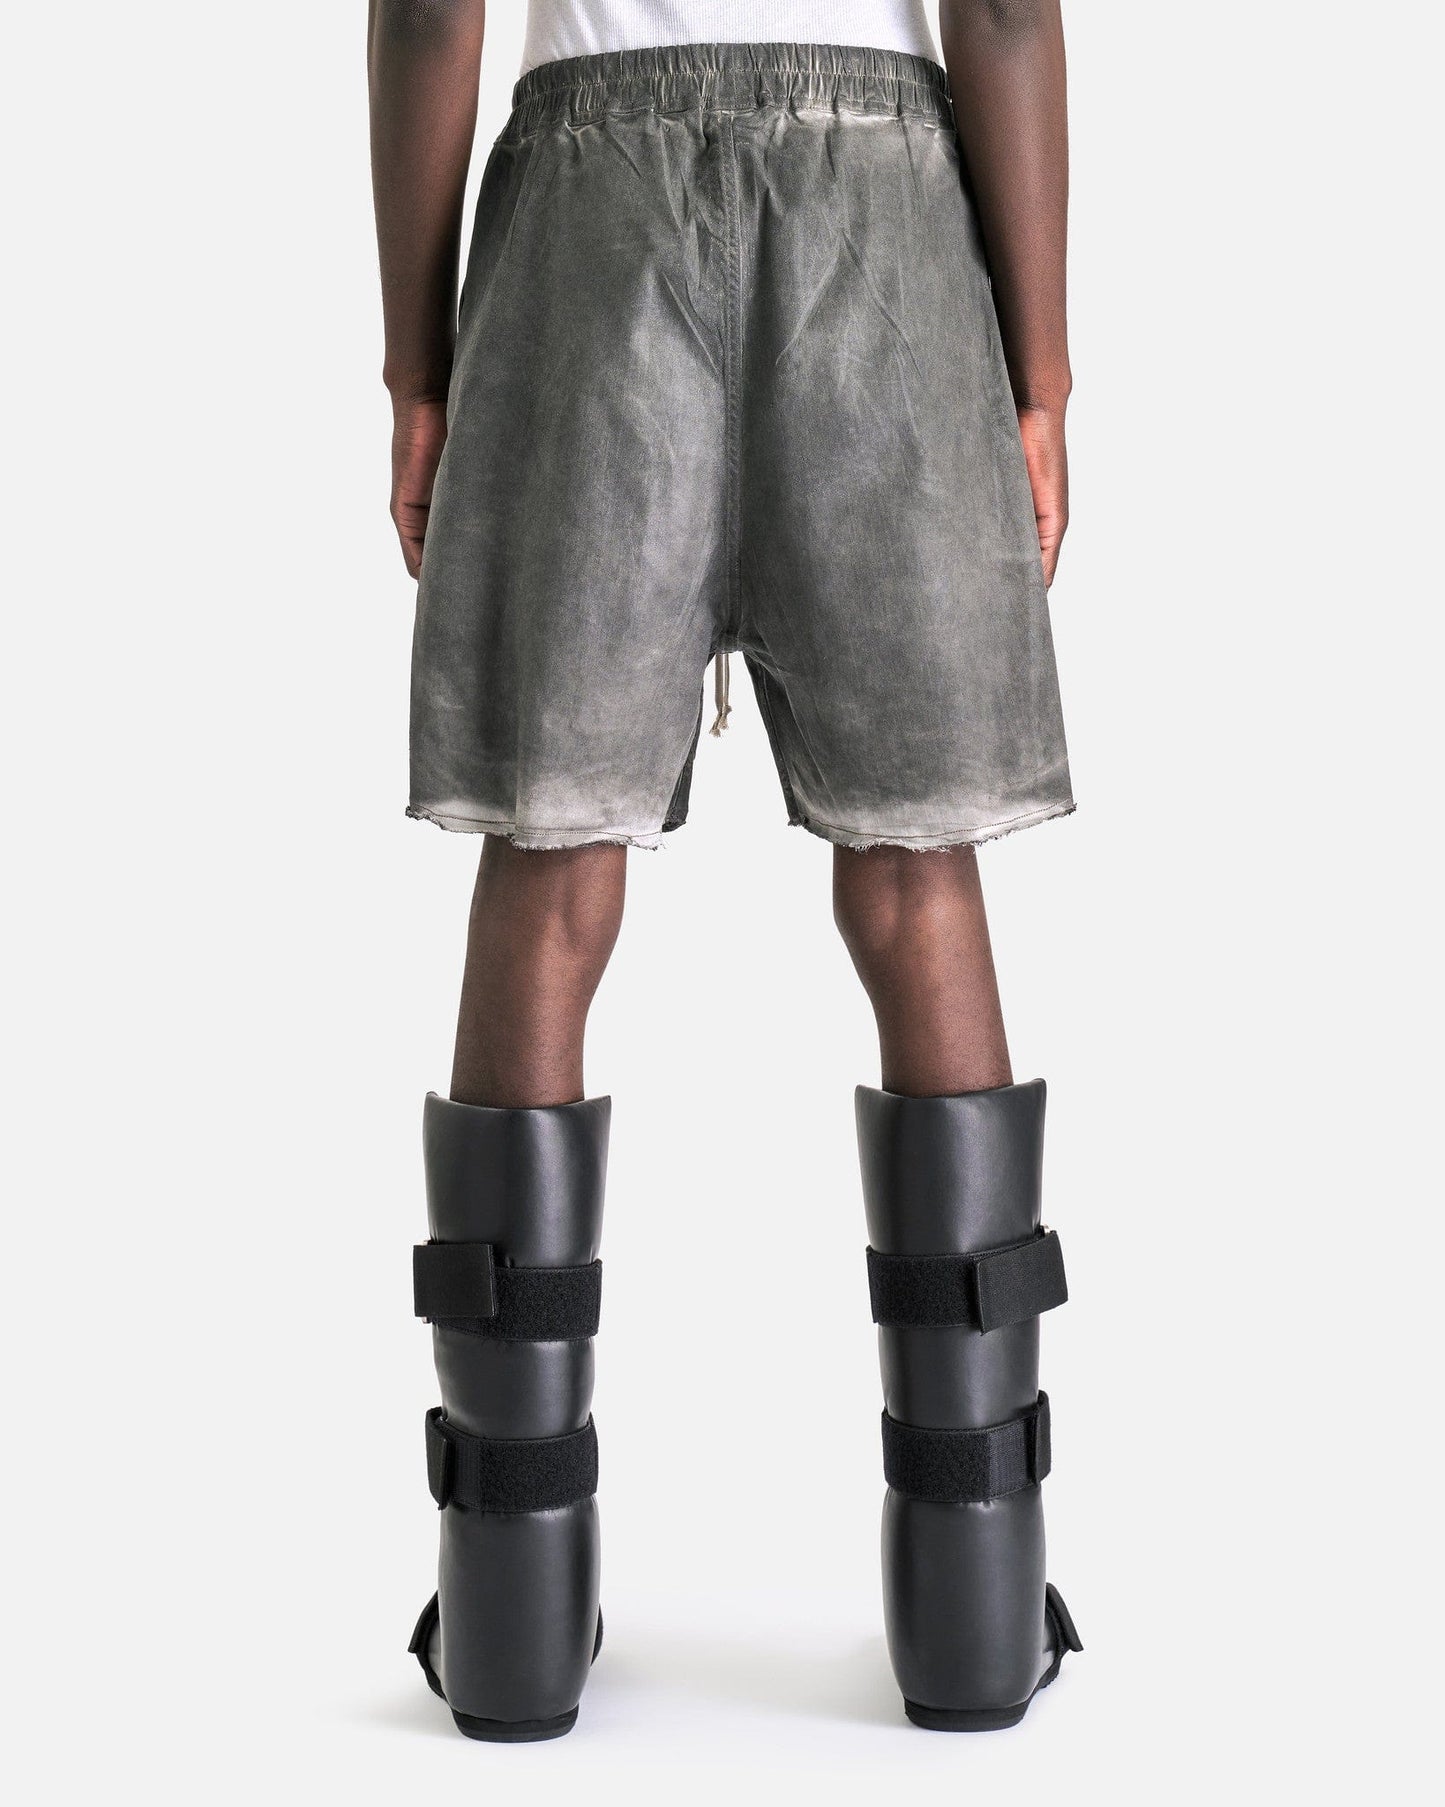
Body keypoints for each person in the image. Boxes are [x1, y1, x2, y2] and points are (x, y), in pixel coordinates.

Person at [371, 0, 1081, 1741]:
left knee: (551, 860)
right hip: (881, 199)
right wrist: (1042, 376)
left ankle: (510, 1612)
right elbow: (999, 9)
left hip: (586, 210)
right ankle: (974, 1604)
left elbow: (428, 14)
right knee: (915, 868)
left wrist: (415, 371)